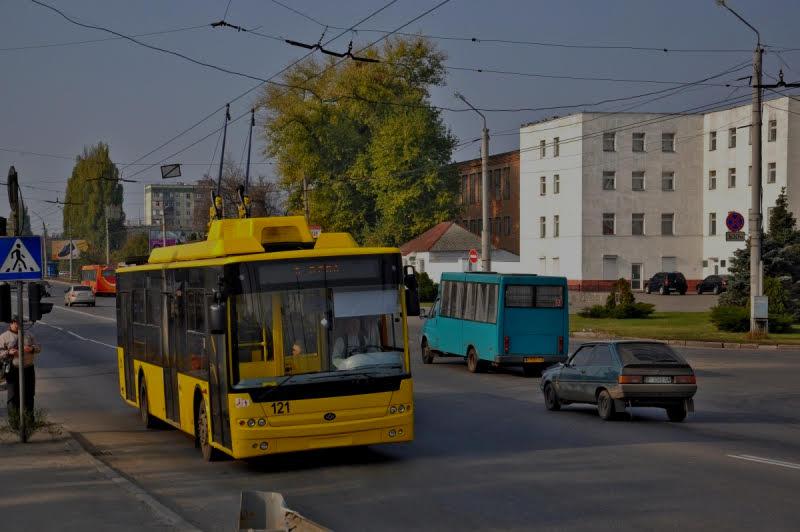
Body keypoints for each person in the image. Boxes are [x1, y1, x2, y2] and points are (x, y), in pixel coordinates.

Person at [0, 316, 41, 414]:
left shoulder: (29, 335)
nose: (20, 325)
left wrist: (31, 349)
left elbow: (38, 347)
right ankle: (14, 422)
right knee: (13, 396)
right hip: (13, 369)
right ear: (12, 323)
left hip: (28, 369)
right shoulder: (4, 337)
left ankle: (29, 420)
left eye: (21, 323)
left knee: (29, 395)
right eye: (17, 323)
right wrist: (9, 352)